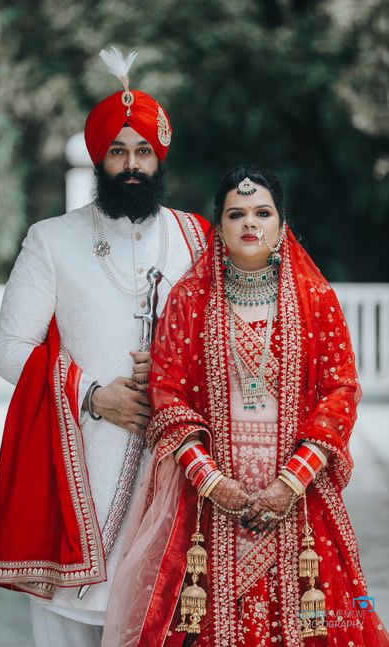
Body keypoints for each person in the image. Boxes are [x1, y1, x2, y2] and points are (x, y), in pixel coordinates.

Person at [0, 48, 210, 647]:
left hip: (173, 476)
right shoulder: (52, 240)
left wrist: (173, 373)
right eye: (117, 152)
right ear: (98, 159)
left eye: (143, 152)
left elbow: (224, 338)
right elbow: (9, 348)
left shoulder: (196, 238)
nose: (131, 165)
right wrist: (91, 395)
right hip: (77, 470)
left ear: (159, 159)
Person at [102, 166, 389, 646]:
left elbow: (340, 392)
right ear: (220, 225)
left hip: (298, 498)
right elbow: (167, 393)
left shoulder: (316, 299)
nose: (250, 223)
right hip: (210, 506)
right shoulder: (189, 300)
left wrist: (290, 482)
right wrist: (211, 481)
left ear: (281, 223)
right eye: (236, 214)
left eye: (262, 212)